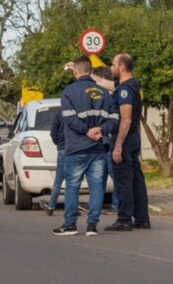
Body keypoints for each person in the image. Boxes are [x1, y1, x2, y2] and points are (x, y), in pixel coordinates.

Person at [54, 55, 118, 236]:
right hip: (99, 146)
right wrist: (101, 129)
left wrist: (86, 131)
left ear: (75, 71)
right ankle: (92, 226)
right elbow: (114, 117)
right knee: (97, 186)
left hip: (77, 147)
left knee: (73, 186)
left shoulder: (69, 92)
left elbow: (69, 118)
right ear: (90, 70)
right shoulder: (104, 92)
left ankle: (70, 224)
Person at [106, 53, 150, 231]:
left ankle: (124, 219)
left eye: (113, 64)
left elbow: (126, 119)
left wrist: (118, 145)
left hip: (124, 138)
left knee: (123, 180)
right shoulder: (132, 85)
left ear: (121, 67)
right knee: (136, 180)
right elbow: (107, 84)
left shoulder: (125, 90)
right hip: (133, 139)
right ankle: (141, 218)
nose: (111, 67)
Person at [91, 66, 120, 213]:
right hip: (101, 140)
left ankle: (115, 204)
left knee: (113, 174)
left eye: (93, 78)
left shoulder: (111, 95)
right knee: (100, 176)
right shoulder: (99, 95)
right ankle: (99, 204)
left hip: (110, 140)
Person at [41, 109, 65, 216]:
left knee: (58, 180)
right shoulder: (79, 111)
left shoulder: (60, 113)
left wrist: (59, 143)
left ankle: (51, 206)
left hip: (63, 149)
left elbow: (53, 133)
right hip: (76, 149)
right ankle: (72, 207)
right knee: (73, 181)